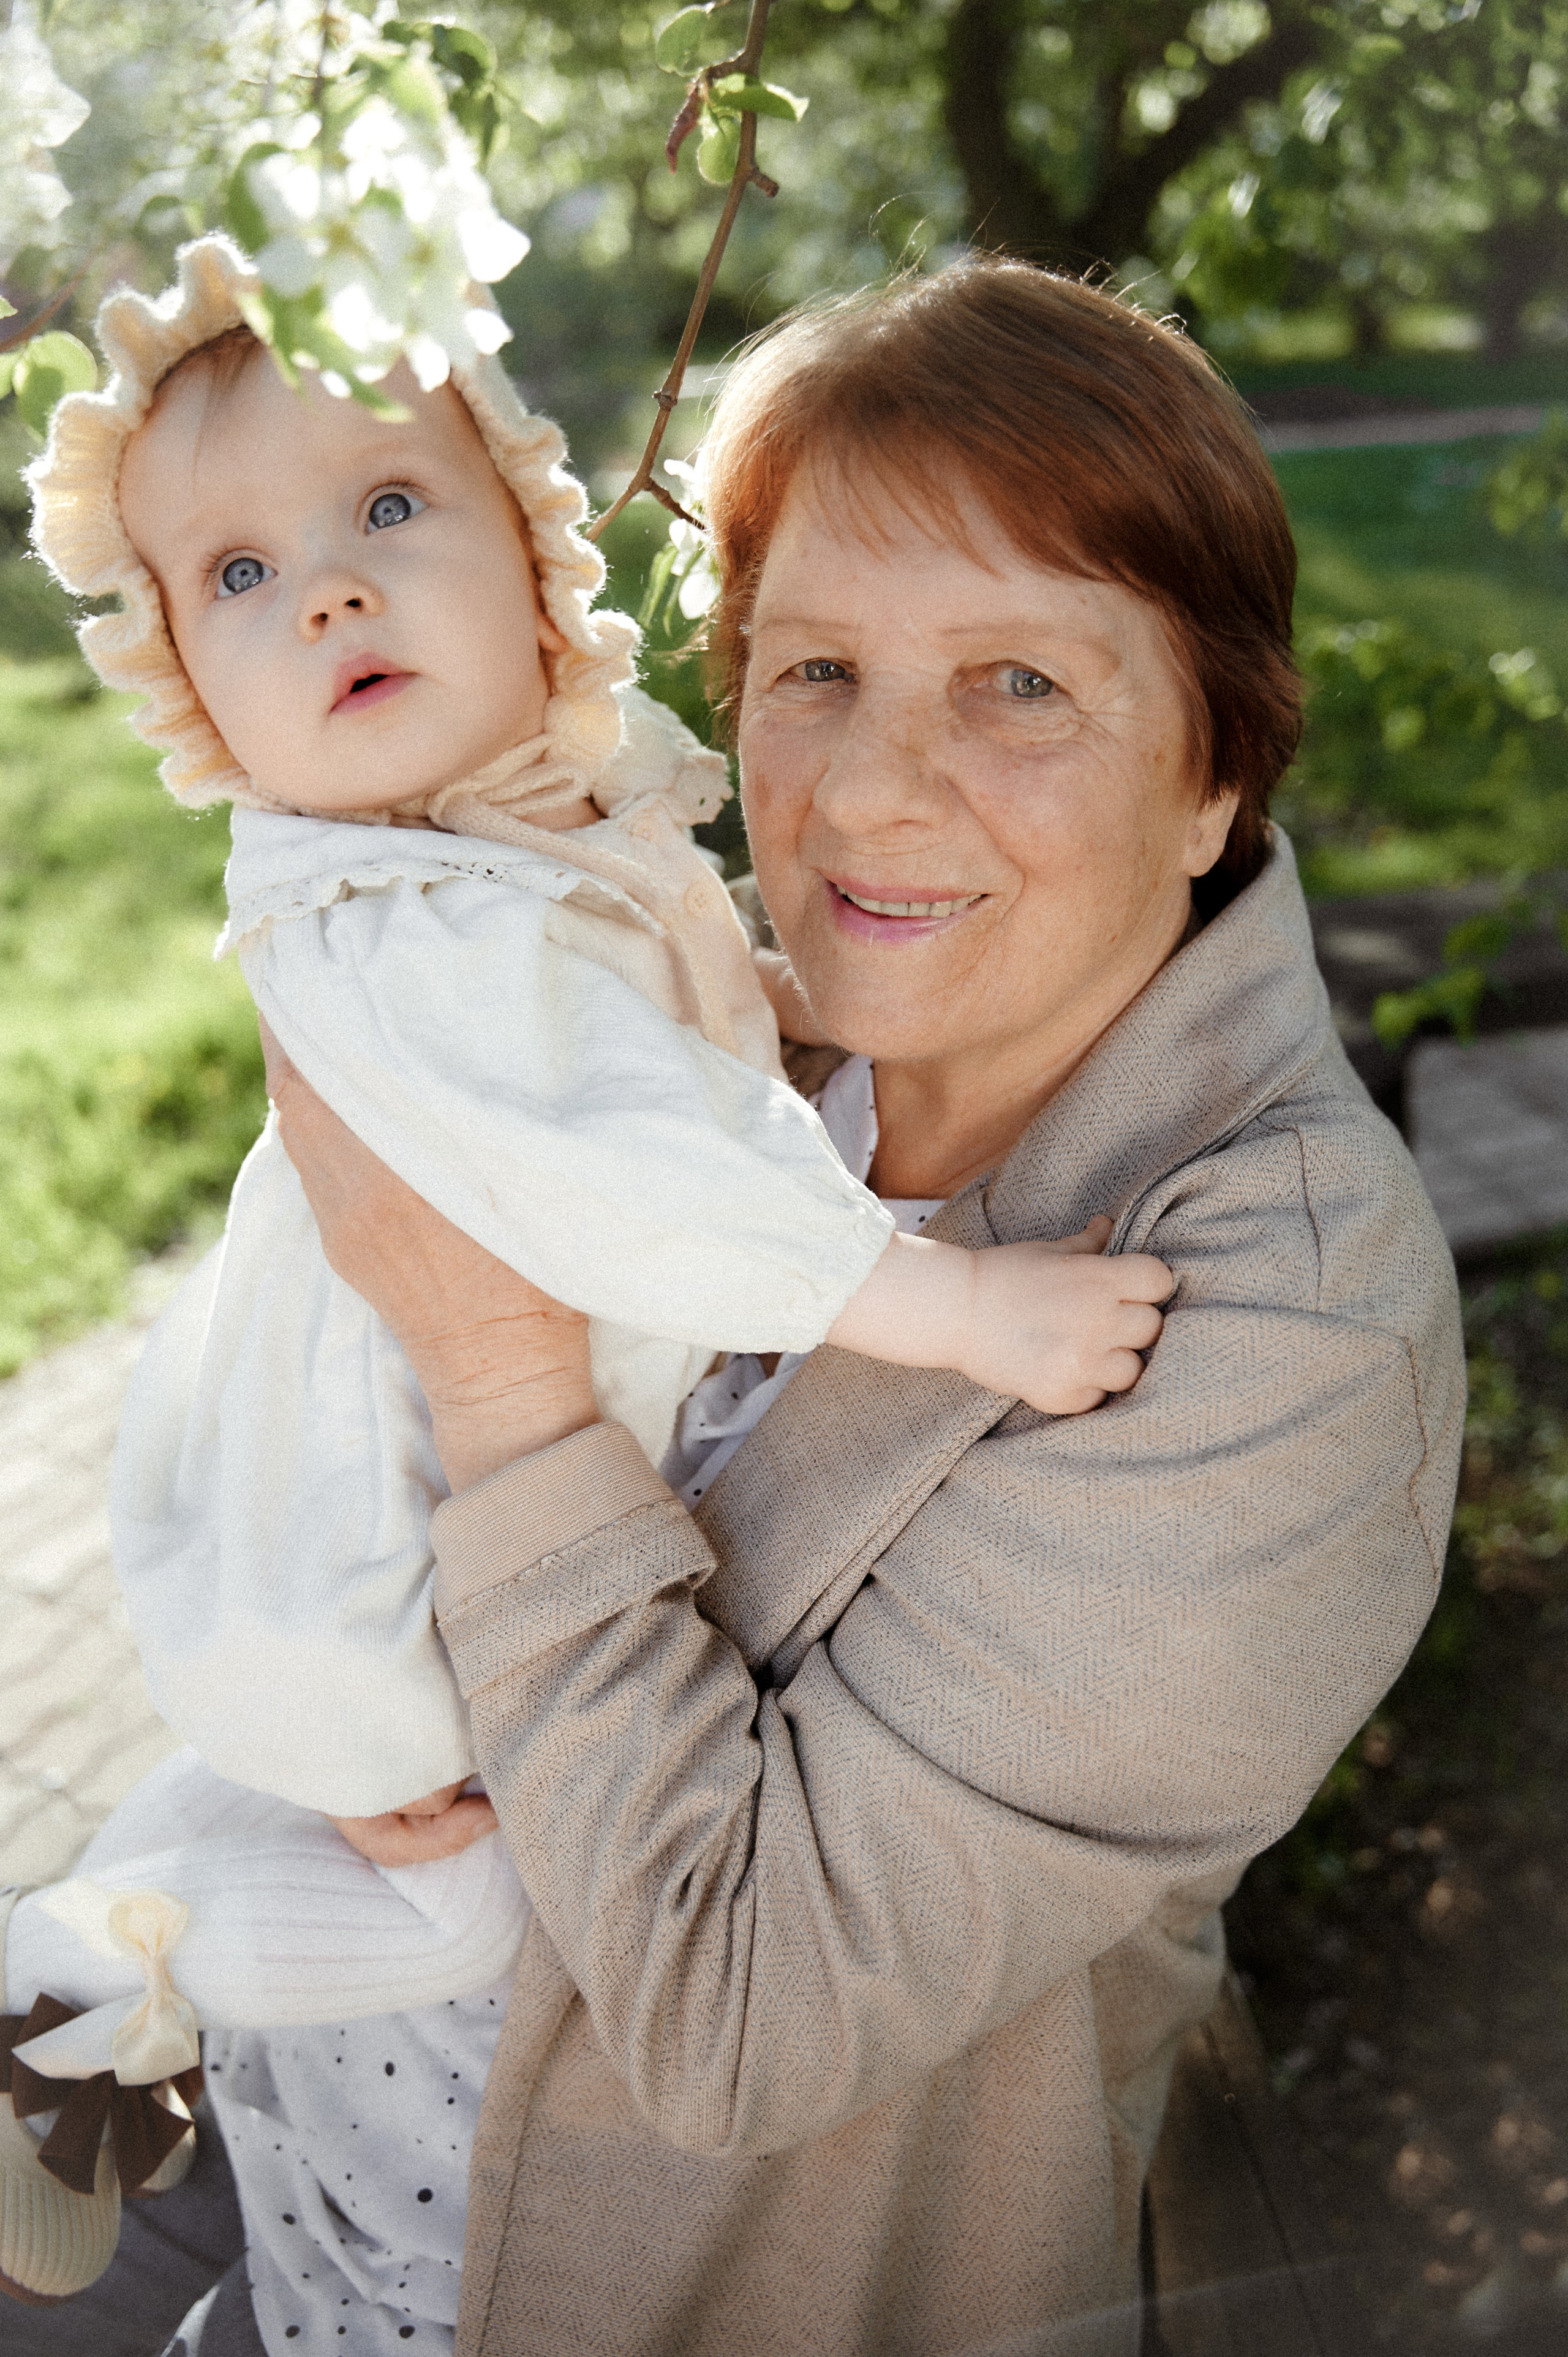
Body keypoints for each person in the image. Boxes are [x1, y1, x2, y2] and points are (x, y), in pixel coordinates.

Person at [233, 258, 1466, 2357]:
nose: (877, 792)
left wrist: (504, 1379)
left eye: (1022, 686)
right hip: (303, 2218)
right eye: (812, 670)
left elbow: (742, 2026)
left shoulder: (1290, 1326)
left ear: (1212, 776)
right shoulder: (703, 1037)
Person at [2, 239, 1169, 2347]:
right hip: (361, 1570)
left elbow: (673, 1029)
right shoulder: (404, 929)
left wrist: (802, 1012)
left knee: (390, 1850)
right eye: (240, 578)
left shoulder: (506, 839)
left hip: (383, 1525)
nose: (331, 590)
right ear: (185, 678)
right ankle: (100, 1971)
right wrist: (954, 1312)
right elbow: (630, 1179)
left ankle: (92, 1958)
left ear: (536, 560)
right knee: (463, 1905)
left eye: (382, 509)